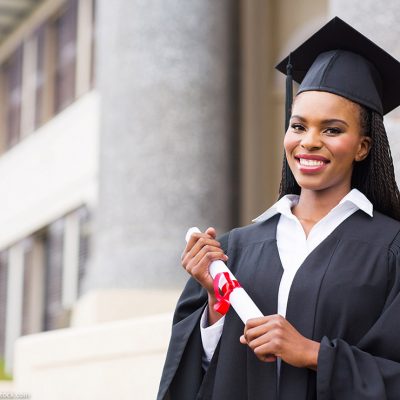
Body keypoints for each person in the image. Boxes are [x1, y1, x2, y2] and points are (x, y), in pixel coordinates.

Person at [157, 17, 400, 400]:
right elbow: (190, 377)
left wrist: (313, 353)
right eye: (299, 126)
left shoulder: (392, 248)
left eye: (332, 130)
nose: (310, 142)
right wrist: (217, 306)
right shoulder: (235, 250)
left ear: (363, 147)